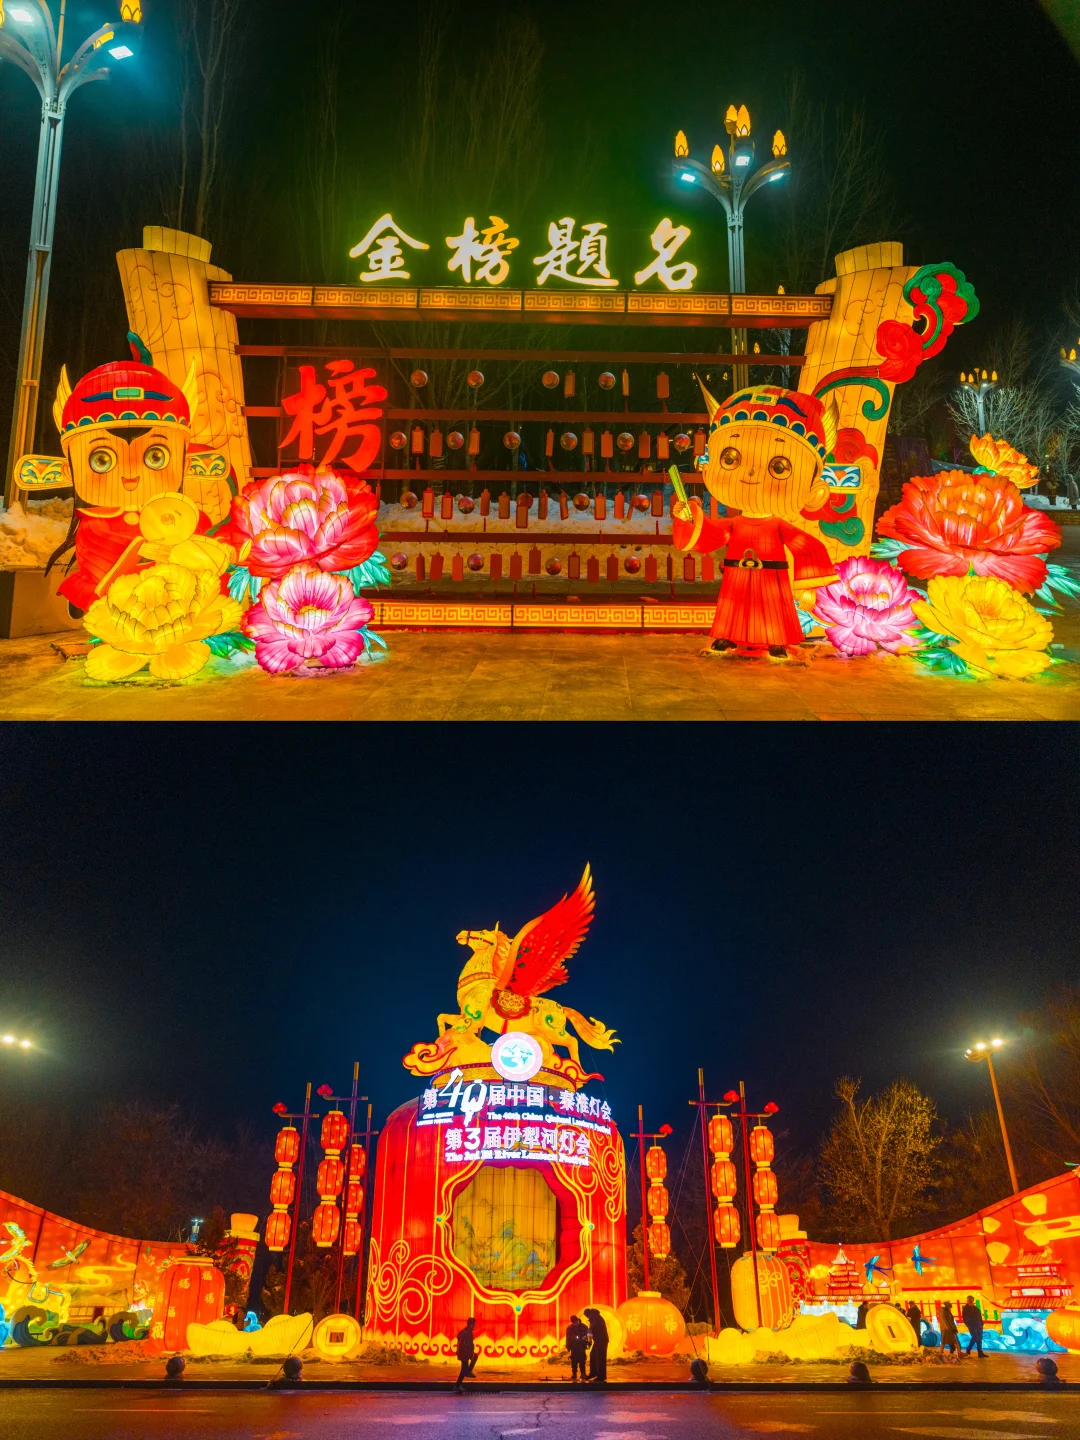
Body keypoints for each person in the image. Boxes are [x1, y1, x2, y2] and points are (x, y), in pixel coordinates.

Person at [584, 1307, 608, 1383]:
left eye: (586, 1316)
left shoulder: (594, 1317)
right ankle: (593, 1373)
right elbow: (591, 1330)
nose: (587, 1318)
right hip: (598, 1340)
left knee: (600, 1358)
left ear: (588, 1314)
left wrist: (588, 1340)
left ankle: (601, 1376)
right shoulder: (595, 1317)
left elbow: (591, 1329)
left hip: (601, 1340)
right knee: (593, 1355)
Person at [455, 1317, 478, 1392]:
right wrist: (471, 1355)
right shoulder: (468, 1332)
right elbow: (469, 1345)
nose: (474, 1326)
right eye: (474, 1324)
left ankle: (458, 1385)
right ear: (471, 1324)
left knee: (463, 1369)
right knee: (464, 1370)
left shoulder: (464, 1330)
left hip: (463, 1352)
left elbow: (458, 1337)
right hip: (464, 1353)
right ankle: (467, 1373)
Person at [566, 1314, 590, 1383]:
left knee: (582, 1360)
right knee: (574, 1361)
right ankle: (574, 1373)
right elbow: (568, 1338)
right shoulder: (570, 1328)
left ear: (577, 1320)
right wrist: (568, 1346)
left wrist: (587, 1342)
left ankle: (583, 1373)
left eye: (575, 1322)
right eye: (573, 1322)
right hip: (574, 1347)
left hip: (581, 1346)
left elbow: (588, 1335)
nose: (575, 1323)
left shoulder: (584, 1327)